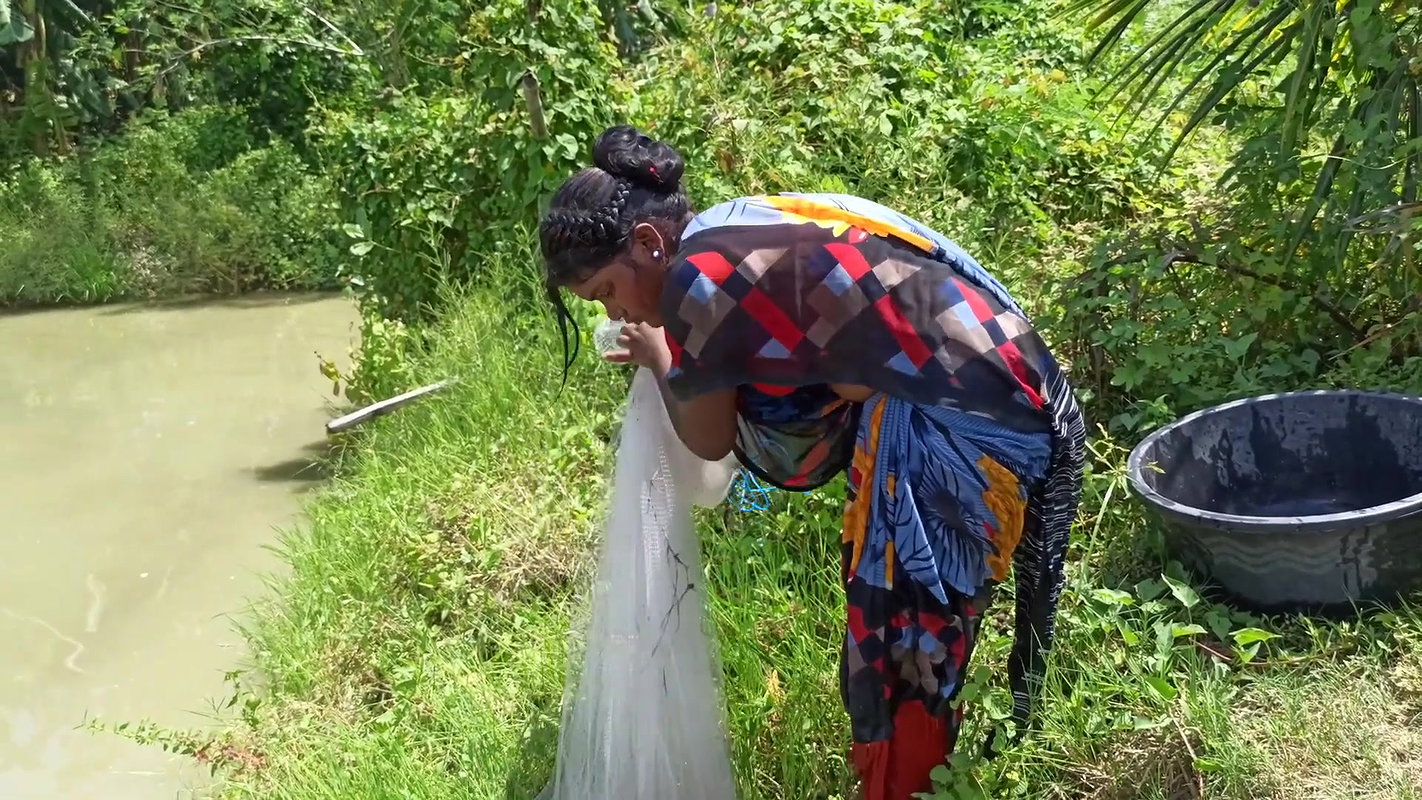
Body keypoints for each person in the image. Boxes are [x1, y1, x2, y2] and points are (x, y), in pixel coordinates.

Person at [539, 126, 1086, 800]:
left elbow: (708, 439)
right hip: (1019, 387)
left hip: (969, 415)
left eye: (606, 291)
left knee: (903, 653)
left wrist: (658, 358)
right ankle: (971, 757)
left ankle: (912, 788)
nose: (616, 310)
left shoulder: (694, 285)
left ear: (649, 244)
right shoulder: (734, 226)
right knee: (914, 640)